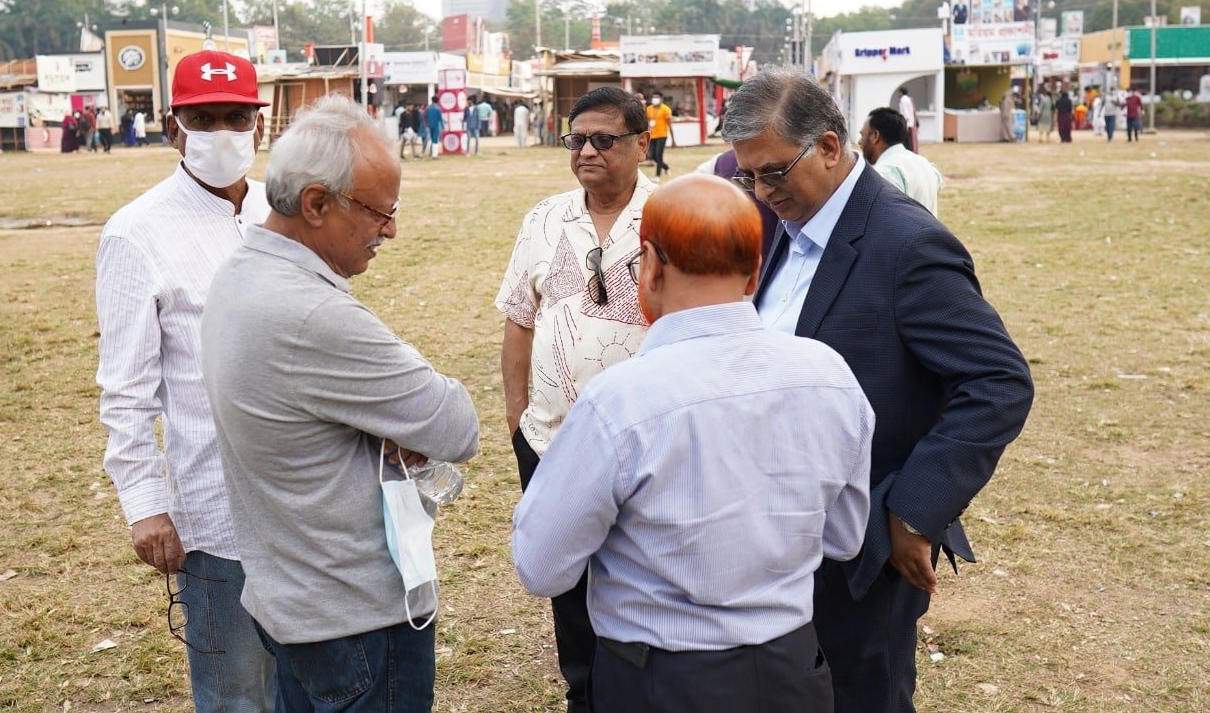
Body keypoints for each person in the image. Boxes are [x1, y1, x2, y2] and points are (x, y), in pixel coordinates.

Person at [724, 68, 1034, 712]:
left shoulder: (906, 243)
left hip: (859, 553)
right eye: (748, 175)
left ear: (831, 148)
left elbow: (998, 381)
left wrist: (915, 510)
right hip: (775, 542)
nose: (760, 189)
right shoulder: (782, 222)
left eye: (774, 172)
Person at [512, 174, 874, 713]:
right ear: (755, 273)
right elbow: (844, 536)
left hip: (659, 680)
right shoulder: (829, 376)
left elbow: (541, 565)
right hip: (792, 669)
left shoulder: (618, 403)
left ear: (650, 266)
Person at [201, 93, 480, 712]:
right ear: (316, 203)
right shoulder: (314, 313)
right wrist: (389, 428)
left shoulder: (241, 272)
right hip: (355, 620)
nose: (392, 229)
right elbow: (456, 425)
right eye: (380, 211)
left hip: (292, 604)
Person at [95, 50, 276, 712]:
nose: (223, 133)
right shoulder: (137, 233)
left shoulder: (282, 213)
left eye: (236, 117)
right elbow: (125, 388)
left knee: (309, 685)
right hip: (214, 508)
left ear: (259, 124)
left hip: (303, 504)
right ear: (174, 128)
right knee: (235, 692)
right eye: (205, 119)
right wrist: (144, 501)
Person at [496, 85, 656, 713]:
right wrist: (516, 422)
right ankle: (584, 695)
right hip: (550, 440)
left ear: (641, 144)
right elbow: (517, 320)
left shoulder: (670, 215)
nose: (587, 151)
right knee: (569, 584)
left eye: (604, 140)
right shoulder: (542, 220)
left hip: (644, 442)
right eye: (576, 139)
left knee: (642, 573)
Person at [858, 107, 944, 217]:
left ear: (875, 136)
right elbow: (939, 182)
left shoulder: (885, 172)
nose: (859, 142)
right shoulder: (923, 162)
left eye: (862, 135)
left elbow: (887, 219)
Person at [645, 92, 673, 177]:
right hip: (652, 135)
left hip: (662, 135)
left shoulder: (666, 109)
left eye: (657, 97)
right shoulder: (649, 109)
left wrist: (673, 139)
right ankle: (666, 167)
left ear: (661, 98)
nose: (655, 99)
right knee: (652, 156)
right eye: (653, 97)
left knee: (659, 155)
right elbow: (649, 122)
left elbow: (669, 125)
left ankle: (657, 175)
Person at [897, 86, 919, 152]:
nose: (898, 94)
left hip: (907, 124)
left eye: (899, 92)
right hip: (910, 123)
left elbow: (906, 114)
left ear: (901, 92)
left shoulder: (903, 100)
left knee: (907, 142)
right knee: (909, 141)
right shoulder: (908, 99)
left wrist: (904, 124)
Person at [425, 94, 444, 159]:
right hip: (436, 126)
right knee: (435, 140)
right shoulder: (438, 109)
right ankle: (435, 155)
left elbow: (425, 117)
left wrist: (427, 124)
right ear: (438, 101)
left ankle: (432, 153)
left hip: (430, 125)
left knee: (433, 140)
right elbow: (440, 118)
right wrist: (443, 126)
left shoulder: (428, 108)